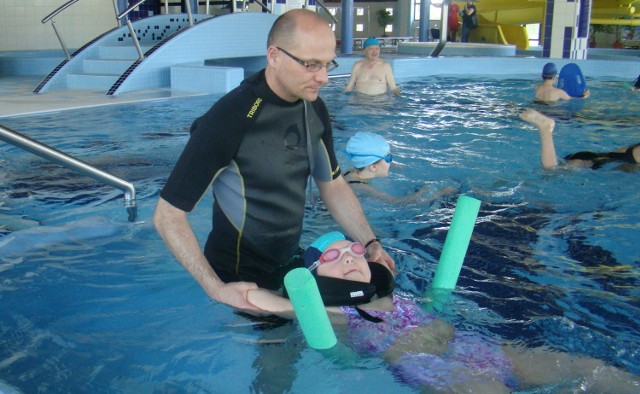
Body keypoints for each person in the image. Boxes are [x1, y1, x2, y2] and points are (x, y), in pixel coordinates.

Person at [153, 9, 394, 313]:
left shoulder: (314, 109)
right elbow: (167, 216)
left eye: (327, 63)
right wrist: (216, 289)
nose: (323, 76)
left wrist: (370, 243)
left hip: (289, 263)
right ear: (274, 56)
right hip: (240, 282)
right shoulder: (229, 119)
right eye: (311, 64)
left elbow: (333, 185)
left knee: (376, 303)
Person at [247, 231, 640, 393]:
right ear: (312, 275)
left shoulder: (395, 296)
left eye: (354, 250)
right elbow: (260, 300)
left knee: (585, 368)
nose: (350, 256)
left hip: (471, 344)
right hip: (430, 365)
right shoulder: (331, 313)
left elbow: (434, 306)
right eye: (334, 255)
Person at [343, 132, 456, 204]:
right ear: (373, 167)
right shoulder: (364, 188)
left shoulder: (352, 172)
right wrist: (438, 192)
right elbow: (397, 203)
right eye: (388, 158)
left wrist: (392, 165)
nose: (391, 161)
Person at [520, 109, 639, 170]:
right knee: (551, 171)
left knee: (551, 170)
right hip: (590, 163)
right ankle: (546, 130)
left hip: (591, 156)